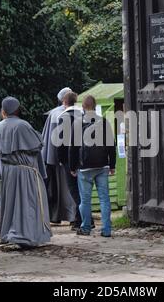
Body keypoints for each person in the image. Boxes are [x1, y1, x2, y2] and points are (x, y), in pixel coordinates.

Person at [0, 97, 51, 248]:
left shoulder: (0, 127)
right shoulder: (22, 125)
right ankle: (25, 235)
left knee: (12, 202)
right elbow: (37, 145)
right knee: (27, 202)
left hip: (9, 172)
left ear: (4, 110)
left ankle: (9, 232)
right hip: (24, 172)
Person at [69, 95, 116, 237]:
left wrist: (72, 167)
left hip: (85, 167)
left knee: (85, 200)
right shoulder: (103, 122)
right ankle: (106, 229)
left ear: (82, 107)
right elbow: (111, 145)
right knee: (104, 198)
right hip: (102, 166)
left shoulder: (78, 124)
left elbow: (73, 148)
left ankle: (86, 228)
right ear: (95, 107)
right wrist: (112, 164)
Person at [56, 91, 95, 231]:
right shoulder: (82, 115)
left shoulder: (63, 117)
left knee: (74, 191)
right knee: (82, 191)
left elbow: (60, 141)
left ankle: (87, 219)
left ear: (64, 103)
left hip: (68, 158)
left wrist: (60, 159)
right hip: (83, 157)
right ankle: (80, 220)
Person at [41, 87, 75, 224]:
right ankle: (73, 216)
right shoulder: (78, 112)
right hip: (72, 158)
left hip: (55, 157)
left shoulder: (54, 114)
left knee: (55, 188)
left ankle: (55, 216)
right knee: (70, 188)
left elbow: (47, 138)